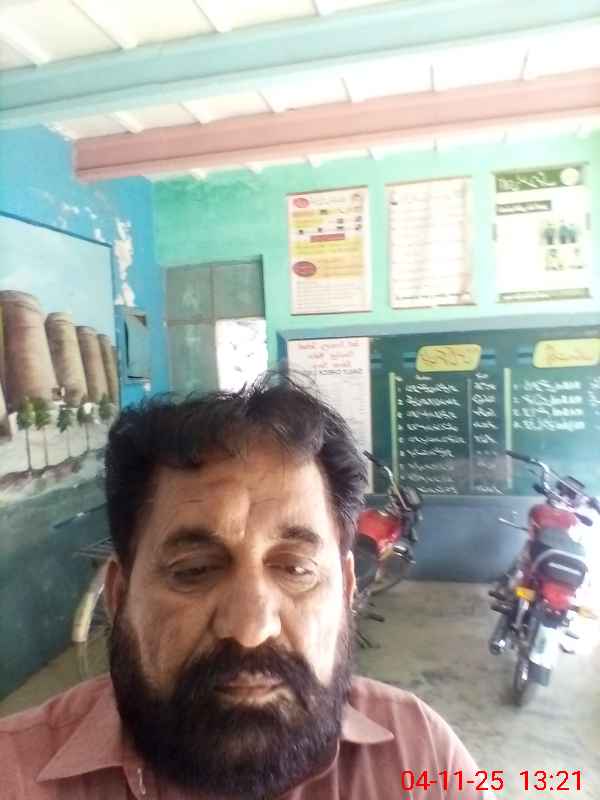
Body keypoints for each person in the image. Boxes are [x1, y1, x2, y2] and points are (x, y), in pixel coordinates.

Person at [0, 374, 491, 799]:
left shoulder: (422, 759)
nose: (251, 628)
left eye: (295, 569)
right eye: (194, 570)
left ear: (345, 590)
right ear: (118, 596)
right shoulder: (14, 776)